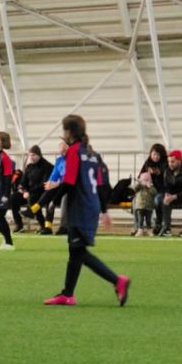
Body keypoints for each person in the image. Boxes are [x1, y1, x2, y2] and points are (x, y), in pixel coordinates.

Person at [44, 115, 130, 307]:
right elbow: (100, 185)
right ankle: (67, 294)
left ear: (69, 132)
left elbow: (68, 182)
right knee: (76, 251)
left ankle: (117, 280)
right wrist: (104, 210)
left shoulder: (74, 151)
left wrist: (52, 200)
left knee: (79, 252)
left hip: (79, 207)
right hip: (90, 206)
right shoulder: (92, 154)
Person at [11, 145, 53, 233]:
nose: (31, 157)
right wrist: (24, 191)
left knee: (33, 198)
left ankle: (42, 224)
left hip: (42, 193)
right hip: (28, 192)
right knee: (13, 198)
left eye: (33, 155)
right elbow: (23, 181)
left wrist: (29, 192)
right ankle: (19, 224)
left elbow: (44, 184)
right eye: (30, 155)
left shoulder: (47, 166)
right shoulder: (29, 167)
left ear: (39, 155)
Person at [138, 143, 167, 233]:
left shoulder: (165, 164)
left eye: (158, 155)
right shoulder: (147, 163)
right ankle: (138, 226)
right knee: (137, 200)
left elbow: (167, 178)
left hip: (161, 191)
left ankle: (158, 224)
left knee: (157, 200)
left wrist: (157, 172)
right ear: (150, 154)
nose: (156, 157)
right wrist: (146, 178)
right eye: (154, 154)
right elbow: (139, 177)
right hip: (148, 190)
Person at [131, 171, 156, 236]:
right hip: (140, 206)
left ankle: (149, 230)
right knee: (140, 219)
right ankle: (140, 230)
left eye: (147, 180)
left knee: (148, 220)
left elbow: (154, 193)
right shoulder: (139, 187)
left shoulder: (151, 187)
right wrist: (139, 183)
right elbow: (134, 189)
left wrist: (150, 187)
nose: (145, 182)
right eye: (144, 180)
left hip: (149, 206)